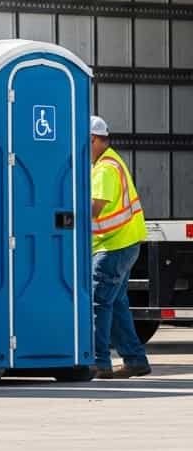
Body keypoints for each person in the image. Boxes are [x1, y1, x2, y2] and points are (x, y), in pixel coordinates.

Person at [90, 115, 151, 379]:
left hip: (113, 246)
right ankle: (135, 360)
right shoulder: (111, 161)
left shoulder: (105, 168)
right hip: (124, 243)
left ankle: (98, 362)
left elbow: (94, 208)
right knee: (115, 305)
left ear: (93, 140)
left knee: (98, 303)